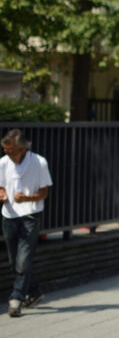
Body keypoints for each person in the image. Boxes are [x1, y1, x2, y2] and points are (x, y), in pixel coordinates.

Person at [0, 129, 52, 317]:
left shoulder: (39, 162)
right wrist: (2, 194)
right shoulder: (3, 163)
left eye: (12, 150)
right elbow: (1, 186)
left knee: (23, 260)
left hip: (30, 216)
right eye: (5, 150)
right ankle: (35, 292)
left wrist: (27, 198)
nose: (8, 154)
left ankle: (16, 299)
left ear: (23, 148)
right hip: (9, 215)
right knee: (15, 260)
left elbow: (44, 192)